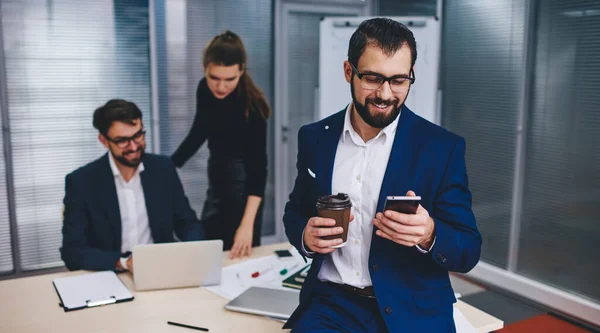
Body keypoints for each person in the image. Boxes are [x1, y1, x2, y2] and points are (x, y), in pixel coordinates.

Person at [283, 18, 482, 333]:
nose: (386, 94)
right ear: (349, 72)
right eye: (373, 78)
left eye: (399, 80)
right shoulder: (314, 138)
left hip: (414, 307)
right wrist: (305, 236)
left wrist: (430, 234)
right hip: (332, 304)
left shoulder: (442, 149)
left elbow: (468, 249)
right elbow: (296, 210)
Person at [60, 99, 205, 272]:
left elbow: (187, 223)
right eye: (123, 141)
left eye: (138, 135)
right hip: (111, 275)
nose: (134, 146)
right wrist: (123, 263)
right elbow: (73, 252)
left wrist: (195, 250)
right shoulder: (82, 182)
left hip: (162, 270)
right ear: (104, 141)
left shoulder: (163, 169)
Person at [171, 30, 271, 259]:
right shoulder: (204, 90)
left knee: (237, 257)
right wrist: (169, 165)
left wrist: (247, 225)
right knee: (210, 253)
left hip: (243, 190)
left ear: (242, 70)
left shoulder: (254, 109)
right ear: (205, 67)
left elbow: (258, 172)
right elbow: (199, 131)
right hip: (216, 180)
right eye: (214, 78)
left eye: (230, 79)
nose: (221, 87)